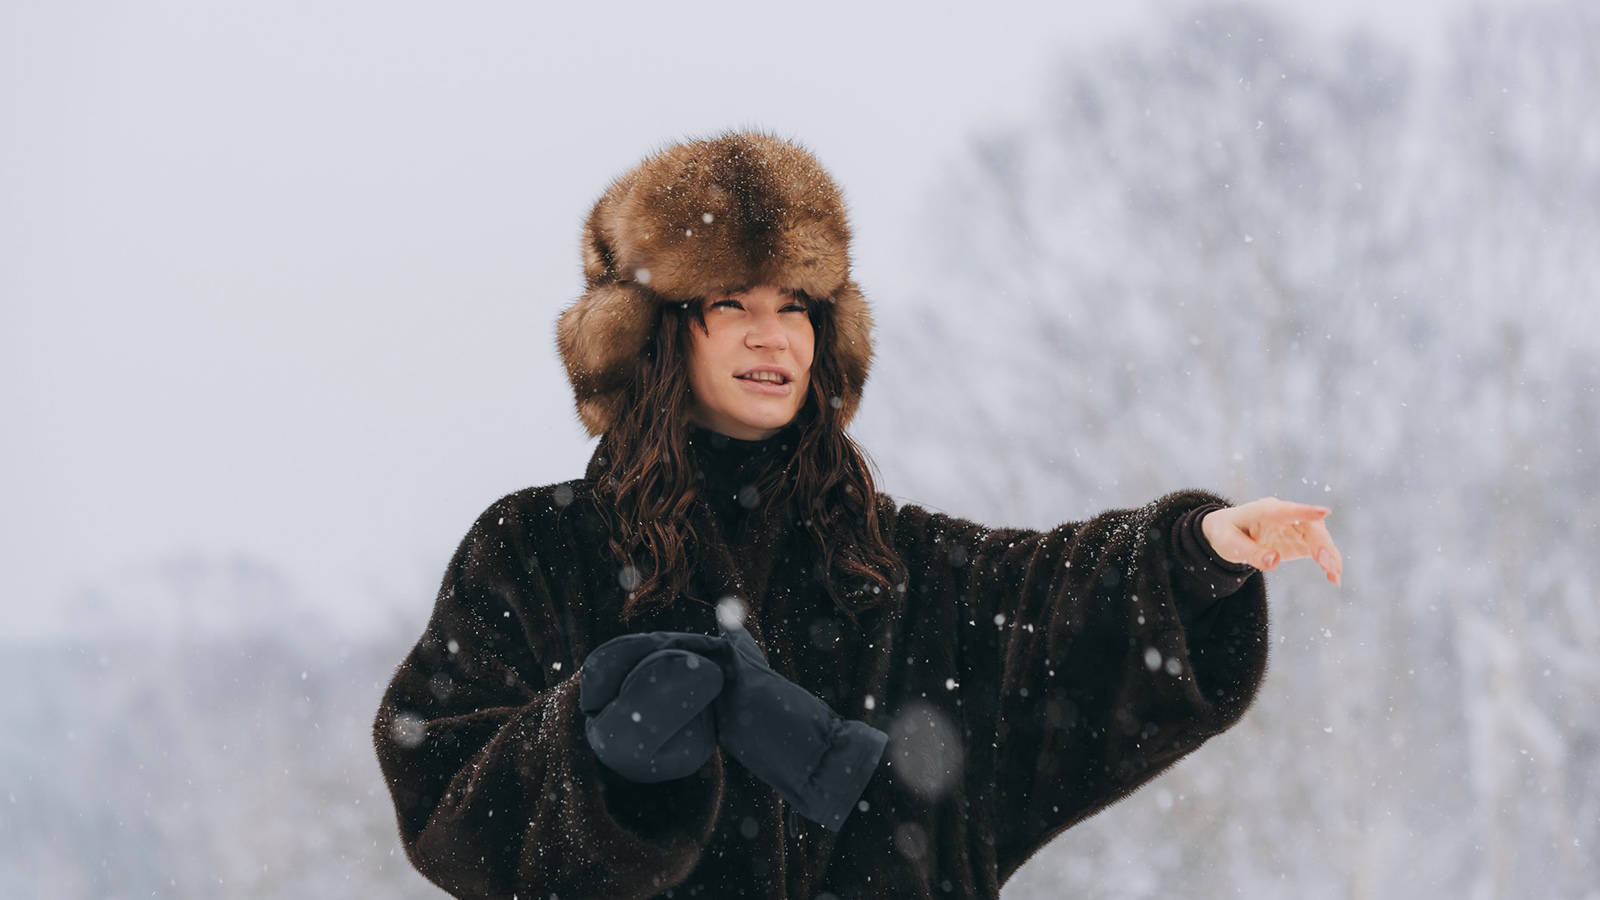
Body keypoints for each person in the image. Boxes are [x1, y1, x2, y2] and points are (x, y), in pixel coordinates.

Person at [373, 132, 1343, 900]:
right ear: (656, 332)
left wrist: (1192, 552)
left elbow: (1056, 604)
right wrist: (593, 751)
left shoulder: (891, 562)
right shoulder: (536, 551)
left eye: (795, 302)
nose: (770, 332)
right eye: (729, 301)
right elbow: (444, 787)